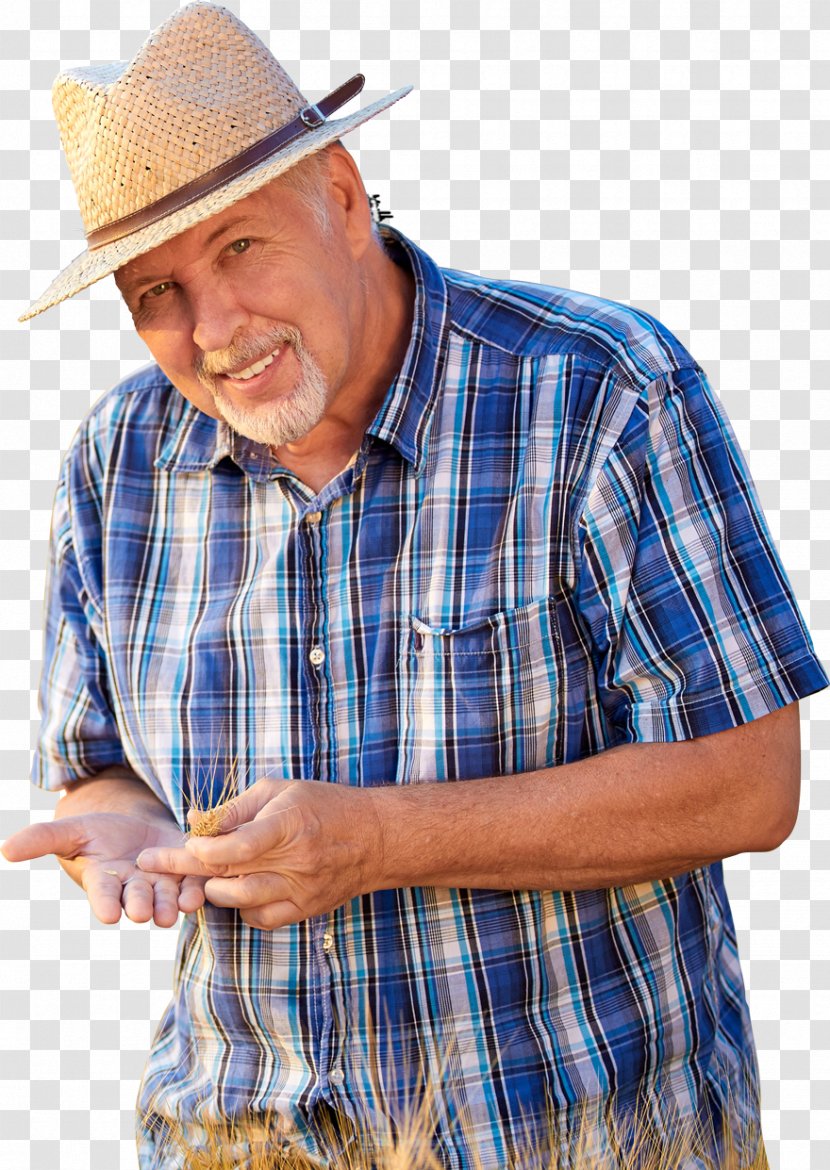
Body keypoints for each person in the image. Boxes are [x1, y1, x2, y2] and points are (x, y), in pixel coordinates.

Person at [3, 3, 827, 1167]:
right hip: (234, 1134)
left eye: (238, 246)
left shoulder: (598, 394)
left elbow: (745, 786)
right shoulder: (116, 462)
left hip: (578, 1138)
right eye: (155, 293)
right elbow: (98, 766)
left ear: (341, 195)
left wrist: (377, 840)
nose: (214, 326)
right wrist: (124, 834)